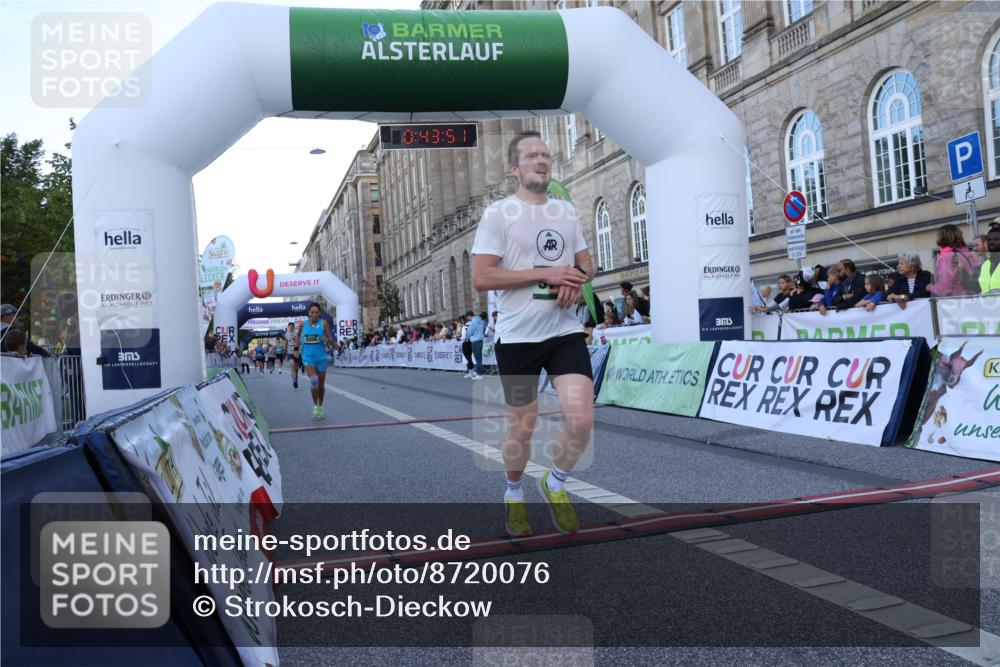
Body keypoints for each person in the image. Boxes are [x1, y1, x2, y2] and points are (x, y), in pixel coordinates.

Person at [471, 130, 595, 537]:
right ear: (514, 168)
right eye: (531, 156)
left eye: (545, 154)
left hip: (564, 331)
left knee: (581, 418)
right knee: (524, 425)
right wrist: (546, 273)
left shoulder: (566, 211)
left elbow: (585, 264)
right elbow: (482, 276)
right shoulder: (498, 214)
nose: (542, 161)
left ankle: (555, 482)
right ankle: (513, 494)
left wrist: (573, 280)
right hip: (518, 335)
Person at [300, 302, 334, 419]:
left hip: (321, 358)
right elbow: (297, 336)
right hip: (308, 358)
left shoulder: (323, 323)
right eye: (312, 312)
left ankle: (320, 406)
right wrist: (297, 348)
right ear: (308, 313)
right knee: (314, 381)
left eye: (316, 312)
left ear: (319, 313)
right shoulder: (302, 324)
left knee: (321, 386)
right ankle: (315, 406)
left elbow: (330, 338)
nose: (314, 314)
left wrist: (326, 339)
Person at [929, 224, 981, 297]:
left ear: (941, 237)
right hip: (975, 297)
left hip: (957, 301)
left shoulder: (946, 257)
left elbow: (945, 287)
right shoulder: (968, 254)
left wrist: (931, 288)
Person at [978, 226, 1000, 294]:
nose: (991, 242)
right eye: (989, 240)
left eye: (995, 239)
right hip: (987, 304)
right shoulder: (984, 265)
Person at [468, 311, 485, 379]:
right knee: (479, 358)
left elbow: (470, 331)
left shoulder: (474, 321)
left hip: (475, 341)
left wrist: (468, 334)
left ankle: (479, 374)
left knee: (477, 358)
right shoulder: (481, 321)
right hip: (480, 340)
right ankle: (479, 372)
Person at [286, 321, 301, 389]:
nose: (291, 327)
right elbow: (285, 343)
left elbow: (300, 342)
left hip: (296, 352)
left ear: (294, 327)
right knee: (292, 366)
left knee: (296, 368)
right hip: (290, 352)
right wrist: (284, 352)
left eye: (292, 326)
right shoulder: (286, 335)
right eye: (290, 326)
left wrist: (295, 339)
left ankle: (296, 379)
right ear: (288, 327)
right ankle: (294, 381)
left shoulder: (297, 334)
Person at [460, 312, 475, 378]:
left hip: (466, 343)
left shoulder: (464, 327)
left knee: (468, 357)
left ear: (463, 320)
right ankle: (471, 371)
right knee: (470, 357)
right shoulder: (471, 325)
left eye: (461, 320)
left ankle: (471, 372)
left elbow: (463, 337)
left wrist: (459, 337)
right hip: (471, 342)